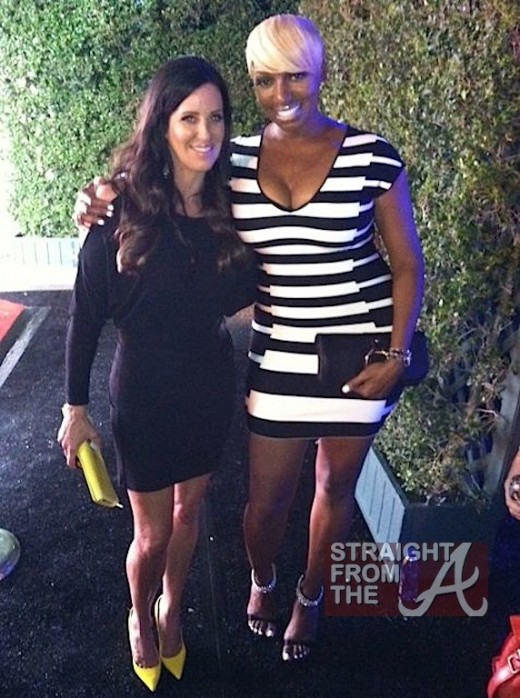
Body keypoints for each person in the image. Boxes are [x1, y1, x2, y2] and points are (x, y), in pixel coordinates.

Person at [74, 14, 425, 663]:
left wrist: (396, 354)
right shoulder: (230, 158)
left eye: (296, 75)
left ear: (321, 72)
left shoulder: (373, 156)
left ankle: (311, 595)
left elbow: (406, 263)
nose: (281, 93)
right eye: (265, 80)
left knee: (335, 489)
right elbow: (164, 177)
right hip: (279, 354)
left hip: (361, 354)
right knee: (265, 505)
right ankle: (263, 580)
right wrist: (102, 193)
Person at [58, 56, 254, 691]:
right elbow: (84, 315)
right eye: (189, 118)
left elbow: (245, 292)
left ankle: (172, 611)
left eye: (216, 117)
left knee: (189, 514)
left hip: (208, 386)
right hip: (143, 393)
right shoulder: (120, 209)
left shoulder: (232, 203)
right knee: (153, 531)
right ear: (161, 124)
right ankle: (140, 615)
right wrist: (75, 408)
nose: (205, 132)